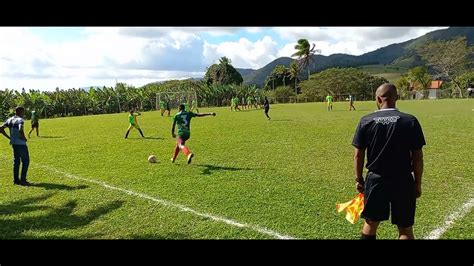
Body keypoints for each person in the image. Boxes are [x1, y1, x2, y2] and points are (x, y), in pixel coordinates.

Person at [352, 83, 425, 240]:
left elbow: (358, 154)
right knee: (405, 227)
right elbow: (418, 157)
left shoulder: (366, 121)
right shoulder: (410, 121)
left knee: (371, 223)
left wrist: (359, 179)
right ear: (396, 98)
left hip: (376, 179)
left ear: (378, 99)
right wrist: (417, 183)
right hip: (404, 179)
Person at [0, 106, 32, 186]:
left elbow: (0, 128)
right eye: (23, 112)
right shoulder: (20, 120)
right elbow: (20, 129)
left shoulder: (9, 120)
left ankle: (16, 180)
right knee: (26, 161)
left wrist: (9, 137)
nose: (24, 114)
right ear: (20, 112)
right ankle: (23, 180)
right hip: (21, 144)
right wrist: (24, 138)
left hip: (14, 144)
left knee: (16, 161)